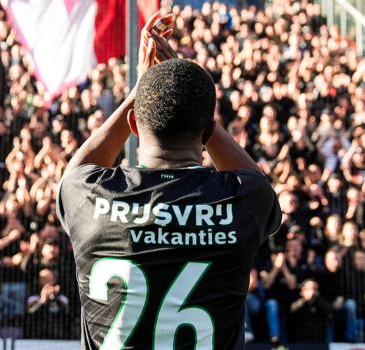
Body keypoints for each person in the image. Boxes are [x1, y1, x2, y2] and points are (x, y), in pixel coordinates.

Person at [56, 12, 281, 350]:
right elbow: (255, 179)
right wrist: (194, 107)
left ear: (134, 124)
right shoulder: (243, 203)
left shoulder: (88, 197)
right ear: (206, 132)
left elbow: (75, 172)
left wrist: (140, 91)